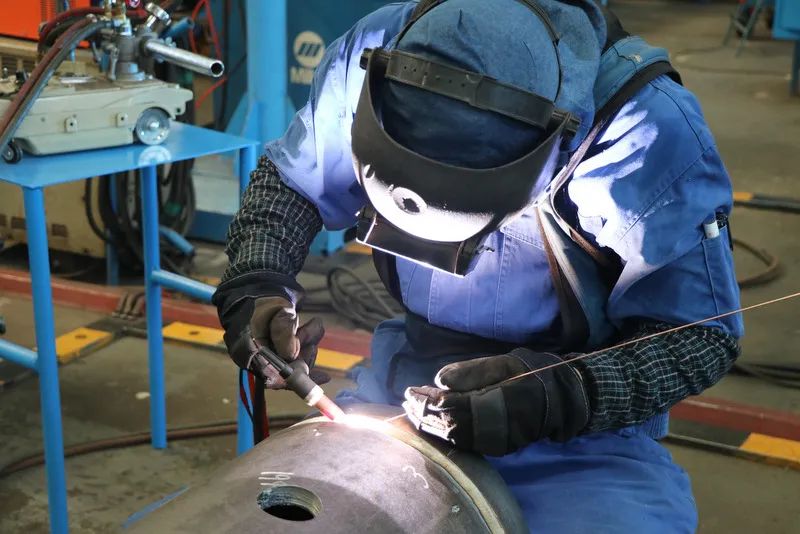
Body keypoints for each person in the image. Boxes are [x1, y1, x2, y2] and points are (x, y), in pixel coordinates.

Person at [213, 1, 743, 531]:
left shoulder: (640, 131)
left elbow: (700, 337)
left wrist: (557, 394)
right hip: (403, 391)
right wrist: (258, 282)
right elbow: (293, 186)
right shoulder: (376, 53)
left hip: (578, 442)